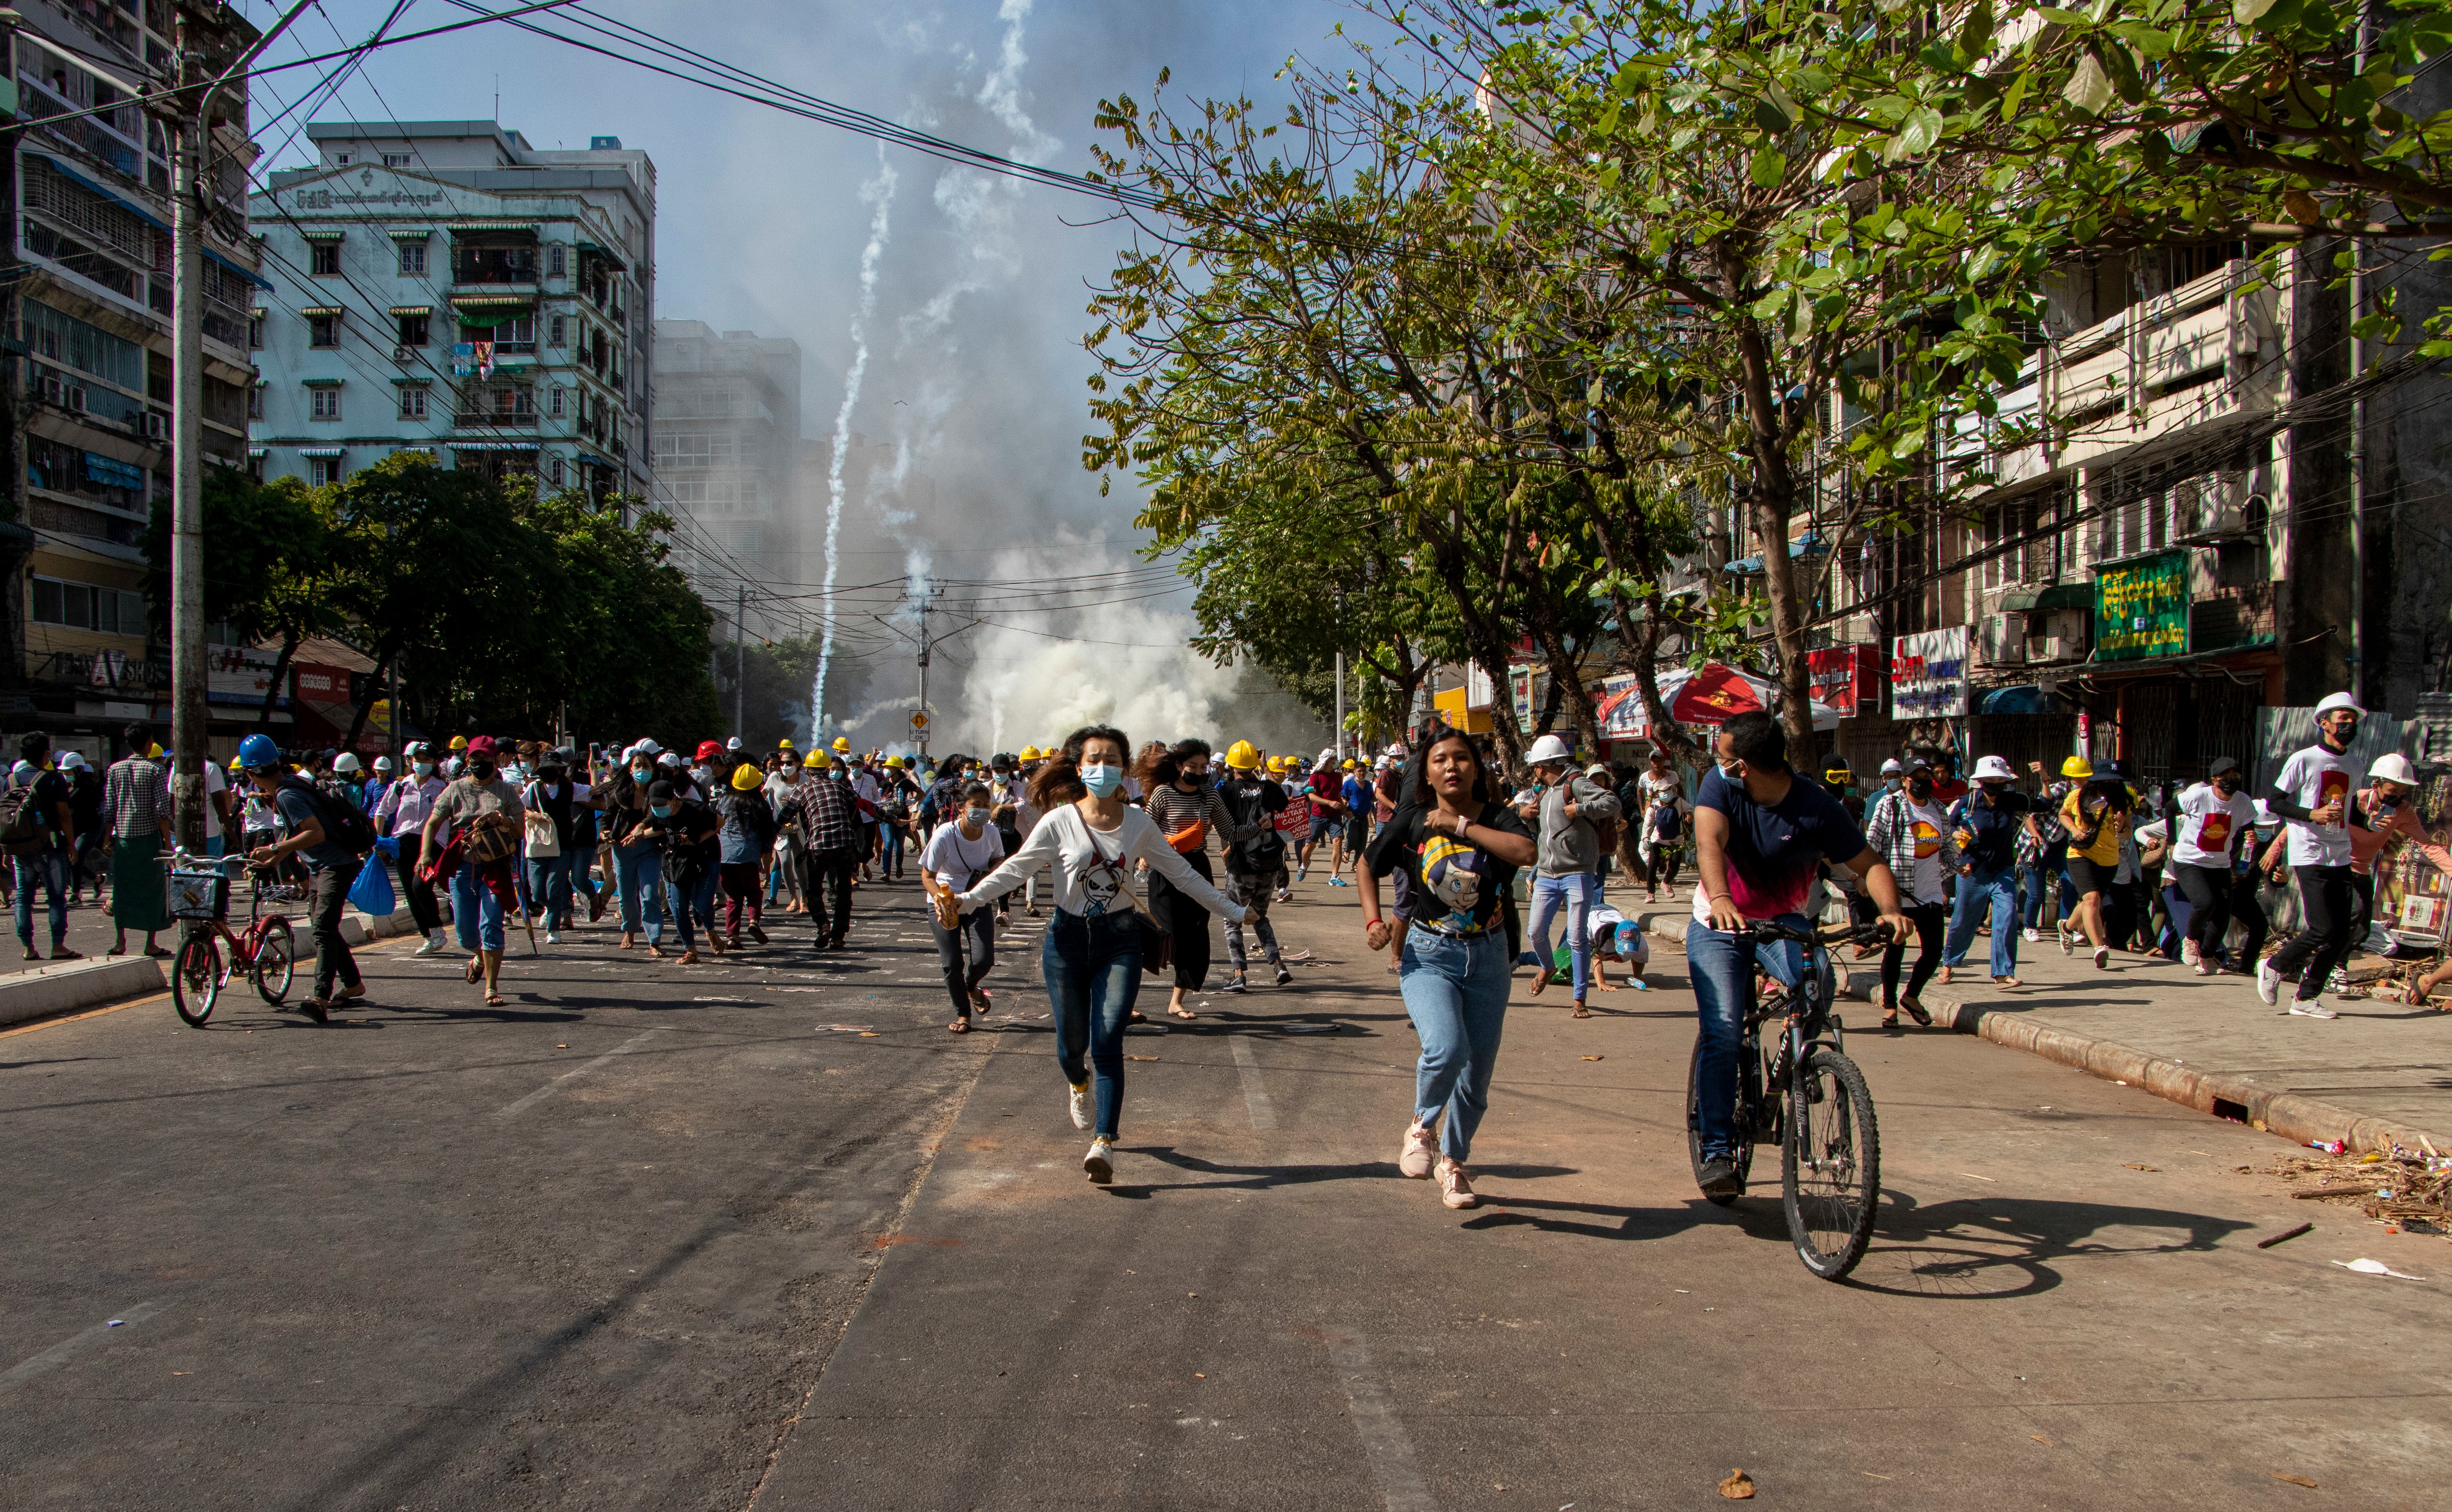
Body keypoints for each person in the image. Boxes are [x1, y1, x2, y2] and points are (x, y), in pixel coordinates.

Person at [936, 725, 1253, 1184]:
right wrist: (965, 902)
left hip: (1119, 942)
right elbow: (1013, 871)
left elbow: (1184, 874)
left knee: (1107, 1041)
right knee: (1071, 1050)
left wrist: (1234, 910)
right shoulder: (1059, 822)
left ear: (1125, 769)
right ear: (1079, 767)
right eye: (1094, 760)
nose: (1103, 768)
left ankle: (1104, 1141)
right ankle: (1078, 1083)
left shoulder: (1140, 823)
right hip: (1065, 943)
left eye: (1112, 760)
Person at [1689, 712, 1909, 1196]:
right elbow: (1708, 841)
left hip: (1781, 922)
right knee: (1724, 1028)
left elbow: (1867, 864)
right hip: (1718, 921)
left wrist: (1890, 909)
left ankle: (1801, 1061)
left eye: (1723, 758)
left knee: (1819, 983)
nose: (1718, 765)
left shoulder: (1817, 806)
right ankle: (1717, 1147)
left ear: (1743, 764)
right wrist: (1721, 896)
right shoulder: (1718, 786)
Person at [1360, 725, 1539, 1211]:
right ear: (1427, 771)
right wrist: (1374, 920)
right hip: (1427, 954)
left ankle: (1453, 1163)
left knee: (1477, 1077)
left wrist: (1460, 827)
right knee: (1447, 1046)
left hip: (1489, 957)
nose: (1451, 766)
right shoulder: (1412, 818)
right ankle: (1420, 1128)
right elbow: (1366, 862)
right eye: (1440, 759)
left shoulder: (1499, 818)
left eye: (1461, 758)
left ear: (1476, 768)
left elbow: (1526, 853)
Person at [2260, 693, 2368, 1018]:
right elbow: (2275, 802)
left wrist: (2372, 822)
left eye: (2353, 720)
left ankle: (2306, 998)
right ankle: (2275, 964)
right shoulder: (2304, 759)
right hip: (2309, 852)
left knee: (2341, 934)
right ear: (2324, 722)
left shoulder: (2355, 764)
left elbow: (2350, 813)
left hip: (2341, 855)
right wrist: (2312, 814)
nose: (2349, 724)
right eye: (2342, 718)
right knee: (2322, 928)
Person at [240, 734, 362, 1020]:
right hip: (322, 866)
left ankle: (320, 998)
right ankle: (354, 984)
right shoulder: (288, 787)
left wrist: (274, 848)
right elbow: (298, 837)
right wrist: (275, 859)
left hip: (336, 864)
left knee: (322, 928)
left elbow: (315, 833)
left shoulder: (287, 794)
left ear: (250, 774)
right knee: (326, 928)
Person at [1516, 733, 1621, 1020]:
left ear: (1542, 766)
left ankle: (1579, 999)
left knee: (1576, 937)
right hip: (1548, 874)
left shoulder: (1576, 783)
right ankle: (1548, 967)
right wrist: (1524, 812)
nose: (1535, 772)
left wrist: (1581, 808)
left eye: (1536, 767)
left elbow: (1612, 802)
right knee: (1535, 932)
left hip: (1578, 872)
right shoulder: (1546, 791)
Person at [1139, 738, 1244, 1019]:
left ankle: (1177, 1000)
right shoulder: (1162, 794)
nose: (1199, 772)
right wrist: (1144, 856)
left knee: (1195, 935)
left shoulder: (1209, 796)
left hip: (1197, 867)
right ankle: (1125, 990)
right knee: (1166, 930)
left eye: (1204, 767)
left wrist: (1260, 827)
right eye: (1193, 766)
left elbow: (1231, 832)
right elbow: (1145, 830)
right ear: (1178, 765)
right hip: (1165, 868)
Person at [421, 735, 525, 1006]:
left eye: (486, 759)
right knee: (466, 933)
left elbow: (520, 830)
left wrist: (502, 819)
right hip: (463, 868)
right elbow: (433, 823)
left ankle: (491, 986)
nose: (481, 763)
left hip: (496, 867)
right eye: (476, 758)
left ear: (495, 760)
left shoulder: (506, 791)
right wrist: (425, 855)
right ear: (468, 760)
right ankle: (478, 955)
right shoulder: (455, 789)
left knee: (491, 924)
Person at [1865, 755, 1959, 1026]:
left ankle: (1912, 996)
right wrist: (1872, 882)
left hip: (1929, 892)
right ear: (1904, 780)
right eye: (1916, 778)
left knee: (1933, 952)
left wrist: (1958, 868)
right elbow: (1872, 845)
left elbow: (1947, 849)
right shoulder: (1890, 805)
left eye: (1926, 777)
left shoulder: (1939, 810)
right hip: (1897, 891)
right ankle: (1890, 1007)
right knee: (1896, 949)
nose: (1922, 782)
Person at [1941, 754, 2032, 990]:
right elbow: (1949, 823)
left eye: (1998, 779)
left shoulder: (2011, 801)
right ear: (1980, 781)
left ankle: (2003, 973)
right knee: (1963, 920)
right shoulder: (1968, 802)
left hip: (2003, 871)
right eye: (1988, 779)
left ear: (2006, 782)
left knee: (2007, 918)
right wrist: (1955, 834)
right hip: (1973, 871)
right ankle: (1949, 964)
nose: (1994, 783)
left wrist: (2043, 779)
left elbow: (2044, 804)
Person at [920, 780, 1004, 1032]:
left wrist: (995, 873)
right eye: (975, 805)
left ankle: (970, 987)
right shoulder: (945, 834)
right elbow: (927, 876)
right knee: (952, 963)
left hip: (976, 900)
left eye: (985, 805)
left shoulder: (992, 833)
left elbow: (998, 859)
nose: (981, 810)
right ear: (961, 808)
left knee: (984, 959)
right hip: (945, 903)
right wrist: (940, 900)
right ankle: (963, 1015)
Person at [2165, 756, 2258, 976]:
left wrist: (2250, 836)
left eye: (2235, 776)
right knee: (2205, 903)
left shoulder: (2243, 802)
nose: (2231, 780)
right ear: (2215, 779)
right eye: (2225, 776)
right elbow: (2169, 809)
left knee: (2223, 912)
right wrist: (2171, 841)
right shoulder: (2198, 796)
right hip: (2190, 860)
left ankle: (2207, 957)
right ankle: (2190, 939)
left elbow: (2248, 826)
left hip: (2219, 863)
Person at [1213, 741, 1291, 994]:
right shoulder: (1269, 787)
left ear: (1231, 766)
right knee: (1259, 916)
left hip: (1242, 865)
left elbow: (1221, 824)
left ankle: (1239, 975)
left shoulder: (1226, 791)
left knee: (1233, 920)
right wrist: (1265, 772)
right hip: (1270, 866)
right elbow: (1285, 806)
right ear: (1255, 765)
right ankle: (1278, 966)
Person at [7, 732, 80, 961]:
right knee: (56, 897)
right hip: (51, 847)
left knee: (23, 898)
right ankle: (58, 945)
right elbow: (64, 815)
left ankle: (28, 947)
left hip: (21, 848)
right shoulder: (54, 779)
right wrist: (71, 844)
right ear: (47, 754)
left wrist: (5, 849)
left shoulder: (11, 780)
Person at [102, 724, 171, 958]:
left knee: (122, 889)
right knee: (153, 890)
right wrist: (168, 843)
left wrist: (107, 838)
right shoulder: (156, 770)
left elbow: (110, 809)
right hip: (149, 840)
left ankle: (120, 941)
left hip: (123, 840)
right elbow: (162, 810)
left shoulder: (114, 769)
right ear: (150, 742)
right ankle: (150, 943)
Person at [2057, 758, 2131, 972]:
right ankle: (2099, 947)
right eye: (2108, 780)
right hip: (2080, 853)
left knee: (2087, 901)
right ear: (2096, 780)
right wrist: (2073, 829)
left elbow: (2127, 832)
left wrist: (2120, 828)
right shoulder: (2077, 796)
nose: (2113, 784)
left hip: (2109, 859)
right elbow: (2063, 814)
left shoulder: (2122, 801)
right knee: (2093, 899)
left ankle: (2067, 927)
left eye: (2116, 781)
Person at [377, 743, 451, 955]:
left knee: (421, 886)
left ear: (435, 762)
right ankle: (428, 937)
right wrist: (379, 840)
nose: (420, 763)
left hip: (432, 844)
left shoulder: (443, 788)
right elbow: (382, 811)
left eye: (426, 759)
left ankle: (437, 929)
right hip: (403, 844)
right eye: (417, 759)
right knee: (410, 892)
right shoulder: (401, 786)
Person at [639, 778, 723, 963]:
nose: (659, 807)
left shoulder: (695, 809)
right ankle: (691, 950)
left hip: (706, 857)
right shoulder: (658, 812)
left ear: (674, 799)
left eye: (662, 803)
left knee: (701, 905)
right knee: (678, 907)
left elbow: (720, 823)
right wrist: (638, 832)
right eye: (654, 804)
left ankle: (710, 931)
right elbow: (652, 825)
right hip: (678, 861)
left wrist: (698, 839)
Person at [601, 743, 671, 955]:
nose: (642, 770)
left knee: (650, 894)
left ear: (653, 769)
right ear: (630, 769)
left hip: (650, 849)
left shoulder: (659, 791)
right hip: (623, 850)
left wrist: (642, 833)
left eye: (646, 766)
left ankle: (654, 940)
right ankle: (630, 930)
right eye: (638, 766)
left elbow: (663, 821)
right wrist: (604, 832)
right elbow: (607, 816)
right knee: (626, 896)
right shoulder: (620, 792)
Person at [790, 748, 858, 950]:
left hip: (819, 845)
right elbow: (861, 805)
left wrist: (769, 835)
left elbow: (786, 814)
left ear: (808, 771)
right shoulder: (840, 787)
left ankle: (823, 925)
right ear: (827, 770)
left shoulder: (803, 790)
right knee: (844, 891)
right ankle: (838, 937)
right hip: (845, 844)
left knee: (814, 891)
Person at [522, 748, 592, 944]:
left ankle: (554, 930)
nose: (549, 771)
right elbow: (522, 808)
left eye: (553, 768)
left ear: (561, 770)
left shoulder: (572, 788)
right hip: (537, 848)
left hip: (562, 847)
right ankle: (549, 907)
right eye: (546, 768)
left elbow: (595, 790)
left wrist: (594, 768)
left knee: (554, 888)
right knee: (537, 892)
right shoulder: (534, 789)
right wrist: (532, 815)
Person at [717, 762, 775, 947]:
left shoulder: (724, 800)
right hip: (747, 857)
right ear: (758, 785)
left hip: (724, 857)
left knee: (733, 898)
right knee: (754, 893)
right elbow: (768, 840)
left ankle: (732, 937)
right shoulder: (761, 805)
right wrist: (766, 869)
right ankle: (753, 922)